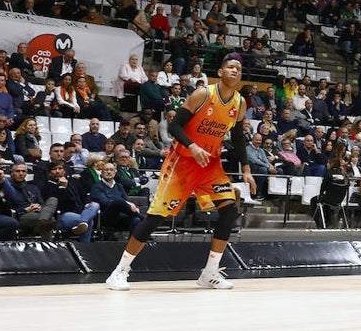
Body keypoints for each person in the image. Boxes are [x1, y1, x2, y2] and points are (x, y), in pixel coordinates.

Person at [105, 54, 255, 291]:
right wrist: (192, 146)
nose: (235, 70)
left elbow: (237, 137)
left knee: (229, 209)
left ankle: (209, 273)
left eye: (239, 68)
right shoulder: (203, 94)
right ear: (221, 71)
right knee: (156, 217)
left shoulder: (240, 103)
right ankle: (119, 271)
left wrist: (246, 170)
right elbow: (174, 126)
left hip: (210, 164)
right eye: (230, 67)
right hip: (182, 162)